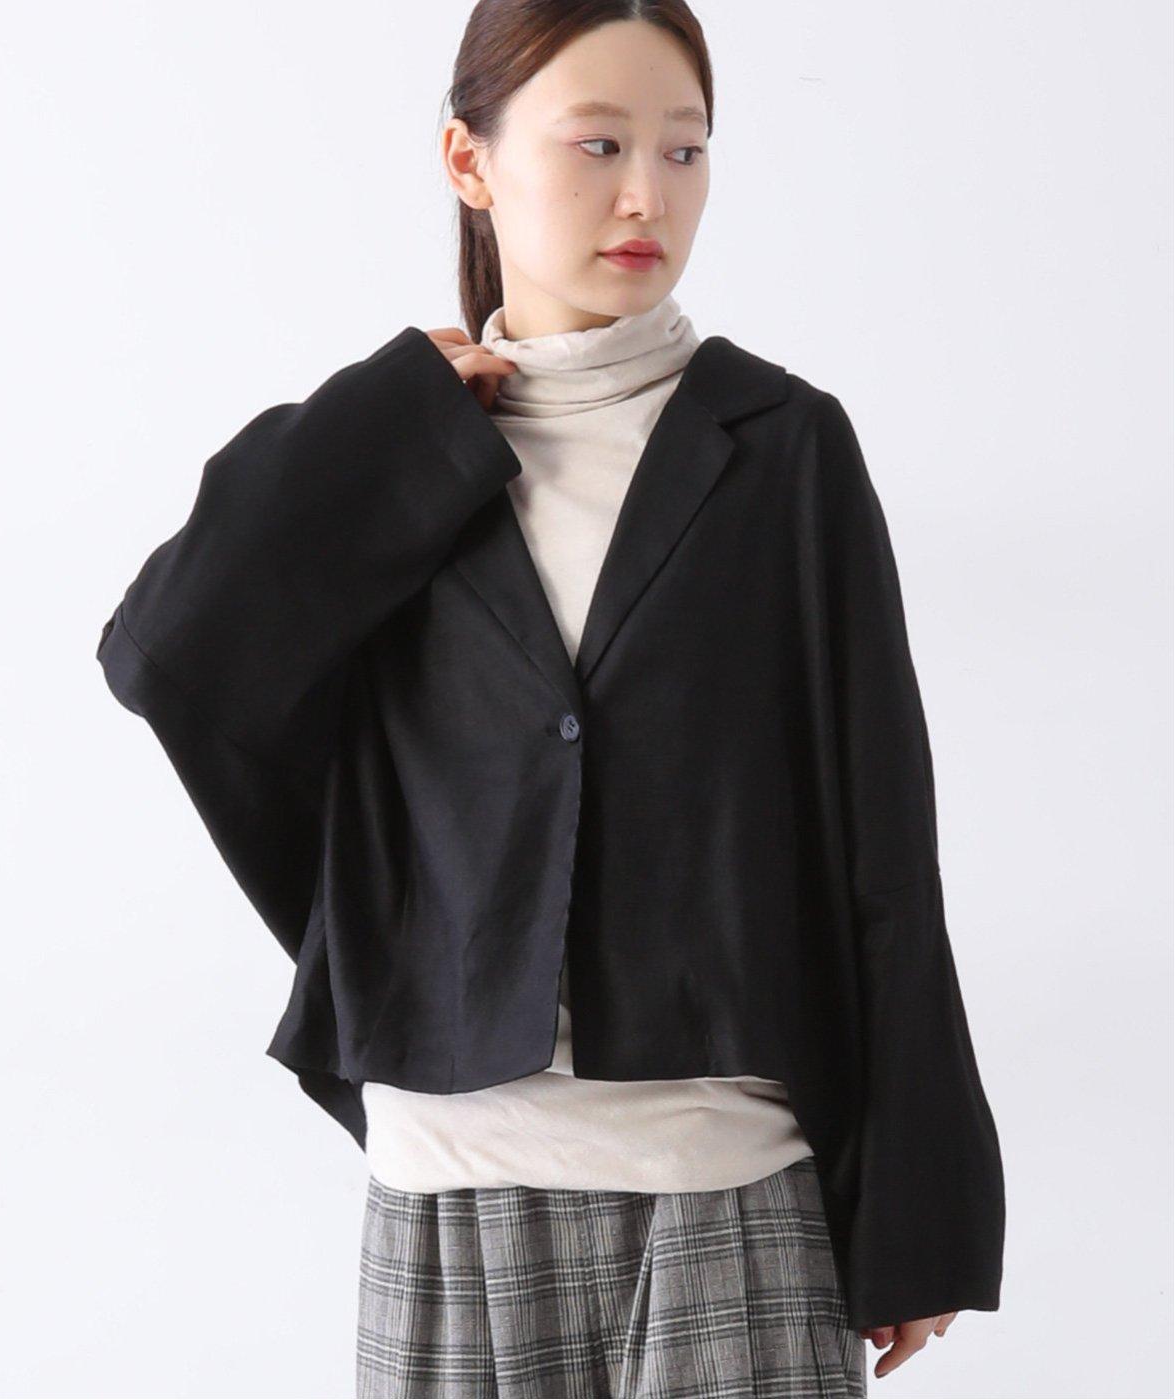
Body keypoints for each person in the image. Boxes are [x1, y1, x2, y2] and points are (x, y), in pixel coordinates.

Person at [96, 2, 1004, 1396]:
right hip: (451, 1194)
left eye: (685, 149)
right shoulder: (395, 457)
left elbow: (882, 834)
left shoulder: (783, 449)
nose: (649, 196)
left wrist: (921, 1209)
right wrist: (383, 423)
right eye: (599, 145)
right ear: (470, 161)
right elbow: (171, 660)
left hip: (732, 1195)